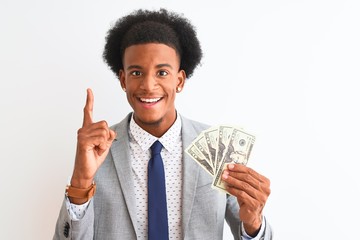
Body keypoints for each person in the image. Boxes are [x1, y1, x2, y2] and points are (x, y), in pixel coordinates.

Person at [53, 8, 273, 240]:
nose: (148, 85)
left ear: (179, 80)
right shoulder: (97, 151)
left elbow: (250, 227)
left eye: (162, 72)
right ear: (123, 80)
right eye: (136, 72)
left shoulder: (217, 149)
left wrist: (253, 225)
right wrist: (80, 180)